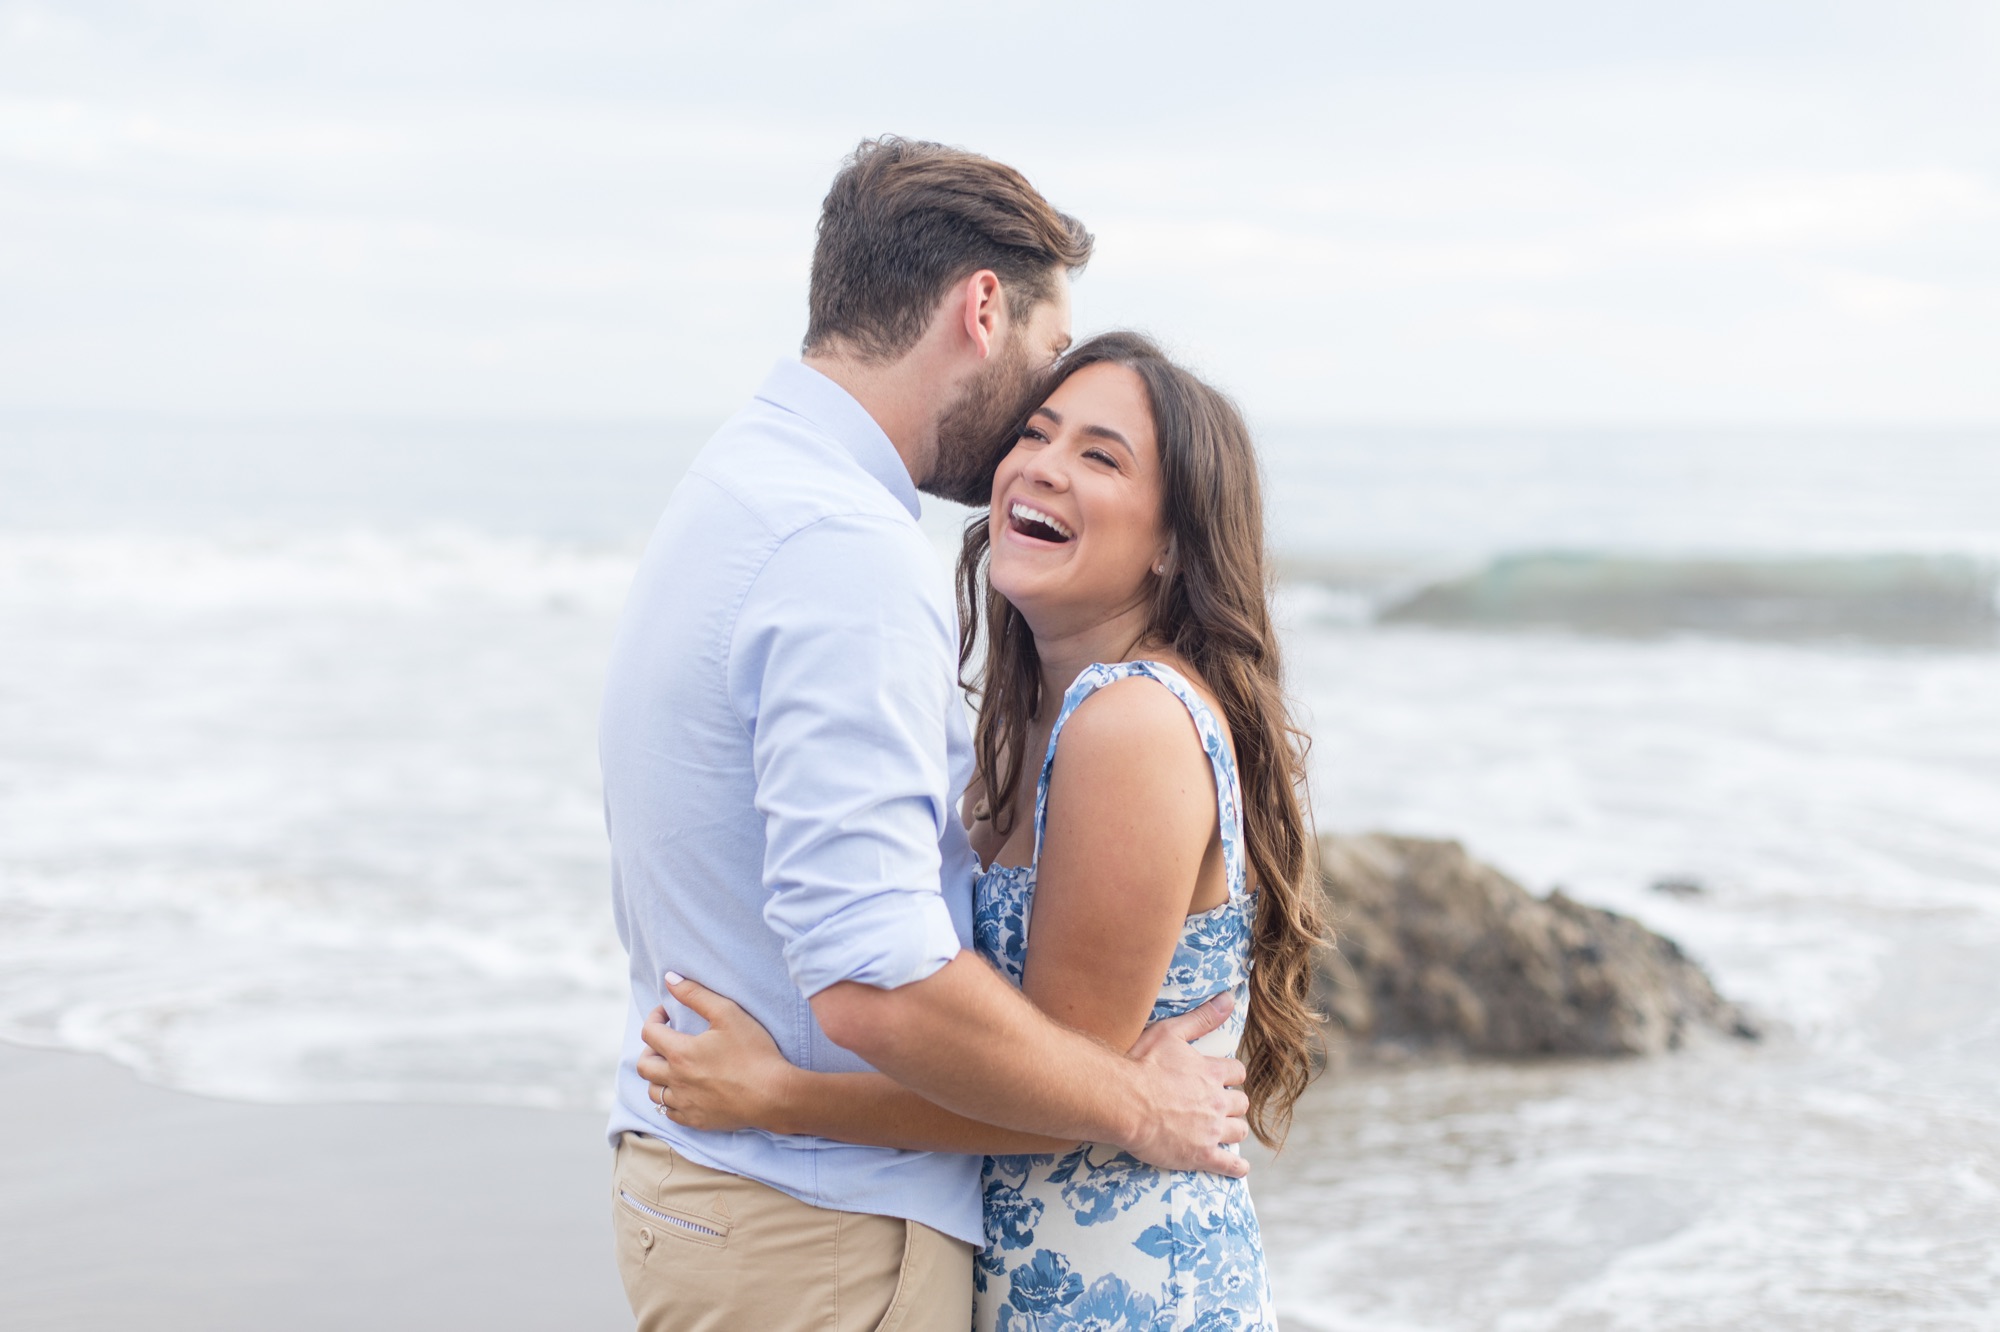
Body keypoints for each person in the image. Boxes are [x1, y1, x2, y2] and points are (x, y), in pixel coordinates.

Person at [599, 139, 1256, 1332]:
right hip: (814, 1227)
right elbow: (872, 969)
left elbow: (1011, 1044)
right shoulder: (840, 549)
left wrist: (777, 1096)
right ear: (982, 308)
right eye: (1044, 382)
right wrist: (1131, 1104)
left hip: (960, 1246)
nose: (1029, 454)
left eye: (1095, 451)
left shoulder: (751, 484)